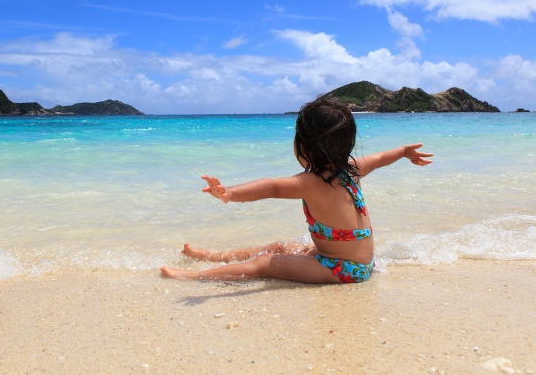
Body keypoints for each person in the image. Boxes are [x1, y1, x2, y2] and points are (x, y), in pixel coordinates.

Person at [160, 96, 433, 284]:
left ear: (303, 145)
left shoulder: (311, 182)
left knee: (266, 262)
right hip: (359, 263)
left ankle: (195, 277)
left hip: (342, 271)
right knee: (281, 247)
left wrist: (230, 192)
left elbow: (272, 187)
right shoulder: (353, 168)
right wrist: (404, 152)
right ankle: (209, 256)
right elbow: (382, 157)